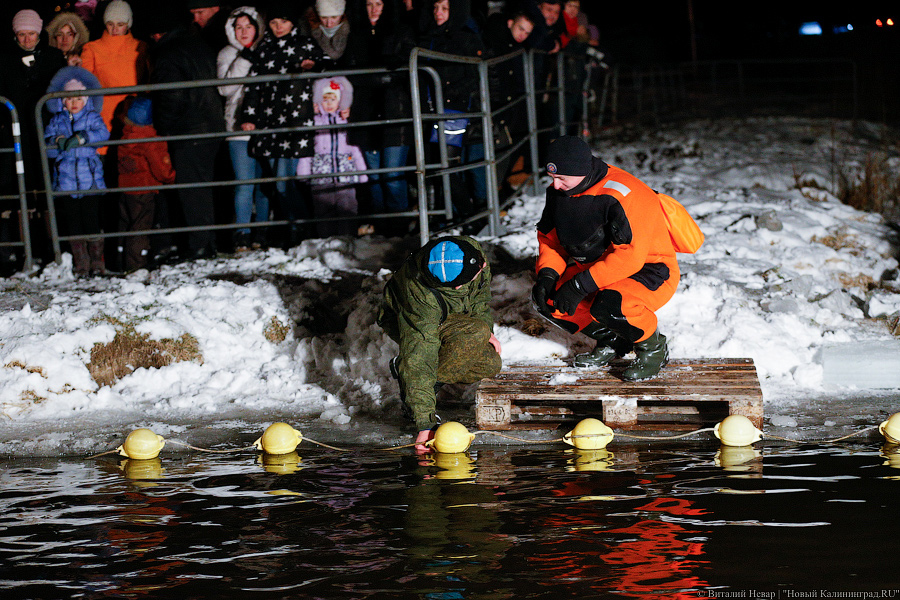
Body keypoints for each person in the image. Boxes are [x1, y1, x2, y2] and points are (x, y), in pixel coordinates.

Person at [531, 136, 679, 381]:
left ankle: (653, 349)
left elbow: (630, 256)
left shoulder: (624, 195)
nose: (555, 185)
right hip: (596, 269)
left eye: (561, 178)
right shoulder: (560, 193)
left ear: (581, 171)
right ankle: (611, 340)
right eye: (552, 178)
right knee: (548, 299)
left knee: (611, 305)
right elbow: (550, 240)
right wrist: (548, 274)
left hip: (649, 270)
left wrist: (579, 285)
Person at [377, 235, 502, 449]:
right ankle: (415, 388)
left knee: (490, 364)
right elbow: (419, 355)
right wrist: (425, 423)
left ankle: (409, 374)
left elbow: (480, 297)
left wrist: (486, 331)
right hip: (412, 320)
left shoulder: (471, 253)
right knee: (470, 334)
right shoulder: (419, 298)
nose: (482, 270)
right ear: (453, 287)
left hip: (452, 319)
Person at [239, 1, 330, 246]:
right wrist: (248, 117)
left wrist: (315, 66)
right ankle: (292, 232)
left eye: (284, 21)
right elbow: (254, 86)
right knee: (273, 182)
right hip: (268, 124)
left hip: (295, 124)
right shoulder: (264, 47)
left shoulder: (305, 44)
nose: (279, 27)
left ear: (293, 22)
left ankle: (301, 230)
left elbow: (327, 64)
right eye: (274, 22)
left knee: (282, 182)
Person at [147, 10, 226, 260]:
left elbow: (170, 96)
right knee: (203, 187)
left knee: (193, 191)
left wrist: (165, 126)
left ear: (157, 34)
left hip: (189, 128)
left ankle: (200, 245)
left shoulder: (167, 54)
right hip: (211, 124)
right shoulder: (197, 43)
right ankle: (207, 241)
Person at [0, 9, 67, 271]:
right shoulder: (5, 59)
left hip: (46, 131)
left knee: (47, 185)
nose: (26, 39)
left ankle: (50, 248)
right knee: (18, 189)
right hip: (15, 135)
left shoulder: (52, 57)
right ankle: (20, 250)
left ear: (39, 33)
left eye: (31, 34)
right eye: (21, 35)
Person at [343, 0, 416, 236]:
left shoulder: (401, 31)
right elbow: (350, 71)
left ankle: (399, 226)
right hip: (366, 113)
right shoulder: (356, 34)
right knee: (374, 176)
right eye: (369, 4)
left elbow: (407, 69)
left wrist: (379, 75)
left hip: (395, 112)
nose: (374, 9)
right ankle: (382, 225)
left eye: (379, 3)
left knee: (393, 175)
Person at [416, 0, 486, 222]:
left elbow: (472, 76)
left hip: (454, 111)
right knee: (438, 165)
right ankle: (450, 215)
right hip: (432, 109)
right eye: (435, 7)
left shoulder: (465, 37)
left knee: (447, 166)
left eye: (444, 9)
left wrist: (445, 93)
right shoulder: (431, 35)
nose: (438, 13)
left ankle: (468, 215)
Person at [44, 66, 110, 276]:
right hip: (66, 182)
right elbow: (47, 146)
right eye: (69, 99)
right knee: (73, 224)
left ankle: (97, 262)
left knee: (91, 221)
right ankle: (81, 264)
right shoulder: (57, 121)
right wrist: (57, 141)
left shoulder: (92, 118)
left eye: (79, 99)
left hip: (90, 180)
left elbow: (102, 133)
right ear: (62, 101)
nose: (74, 103)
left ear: (87, 100)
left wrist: (82, 138)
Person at [217, 5, 269, 251]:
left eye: (249, 26)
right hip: (237, 127)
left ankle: (262, 231)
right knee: (244, 182)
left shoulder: (268, 50)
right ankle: (242, 234)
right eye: (239, 27)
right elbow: (224, 88)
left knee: (264, 182)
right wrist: (244, 59)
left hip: (266, 124)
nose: (244, 31)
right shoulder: (228, 53)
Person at [297, 77, 367, 237]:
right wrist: (303, 172)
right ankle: (326, 238)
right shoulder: (314, 122)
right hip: (321, 174)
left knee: (347, 207)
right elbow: (307, 150)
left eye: (333, 99)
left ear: (340, 101)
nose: (329, 103)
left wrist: (361, 172)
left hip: (345, 173)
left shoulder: (345, 121)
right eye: (325, 99)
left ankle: (347, 238)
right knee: (323, 208)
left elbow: (354, 147)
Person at [117, 96, 176, 271]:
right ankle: (136, 265)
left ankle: (120, 260)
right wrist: (171, 176)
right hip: (144, 189)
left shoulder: (125, 135)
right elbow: (161, 168)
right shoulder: (150, 140)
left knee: (126, 223)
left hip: (125, 188)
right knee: (140, 227)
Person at [80, 0, 149, 137]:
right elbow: (85, 82)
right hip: (103, 114)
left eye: (120, 24)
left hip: (134, 113)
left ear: (128, 24)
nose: (115, 29)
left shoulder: (141, 47)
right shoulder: (92, 48)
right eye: (110, 24)